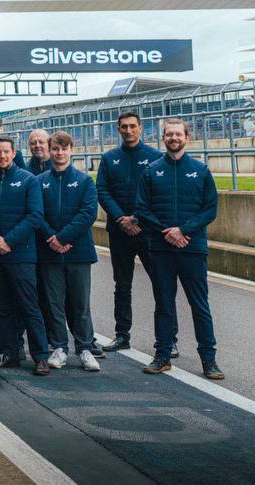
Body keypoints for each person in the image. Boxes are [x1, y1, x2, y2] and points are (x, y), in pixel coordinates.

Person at [135, 118, 223, 380]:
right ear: (163, 138)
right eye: (169, 134)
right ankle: (162, 356)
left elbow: (210, 209)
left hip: (192, 248)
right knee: (163, 304)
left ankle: (209, 359)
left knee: (199, 305)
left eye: (178, 134)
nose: (173, 138)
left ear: (187, 137)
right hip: (161, 249)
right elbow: (142, 209)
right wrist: (168, 232)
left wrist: (183, 231)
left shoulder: (200, 170)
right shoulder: (152, 171)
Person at [0, 136, 50, 375]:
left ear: (14, 153)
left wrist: (8, 240)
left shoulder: (28, 180)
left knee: (28, 305)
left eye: (6, 152)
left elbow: (35, 216)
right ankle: (9, 352)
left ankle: (40, 356)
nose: (2, 156)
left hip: (20, 254)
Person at [96, 111, 160, 353]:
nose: (128, 130)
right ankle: (122, 335)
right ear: (118, 129)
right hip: (119, 231)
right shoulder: (109, 158)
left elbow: (157, 193)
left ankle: (168, 339)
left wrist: (137, 218)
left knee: (161, 285)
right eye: (124, 127)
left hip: (147, 231)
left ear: (140, 128)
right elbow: (102, 191)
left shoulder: (155, 157)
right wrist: (121, 219)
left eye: (133, 126)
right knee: (122, 285)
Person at [36, 132, 101, 371]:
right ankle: (59, 347)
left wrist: (63, 238)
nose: (59, 153)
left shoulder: (84, 181)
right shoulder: (39, 181)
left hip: (78, 252)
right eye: (55, 148)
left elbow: (88, 213)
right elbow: (36, 213)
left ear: (71, 150)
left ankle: (85, 348)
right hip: (49, 252)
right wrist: (51, 238)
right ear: (49, 151)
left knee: (80, 303)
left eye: (64, 148)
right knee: (54, 303)